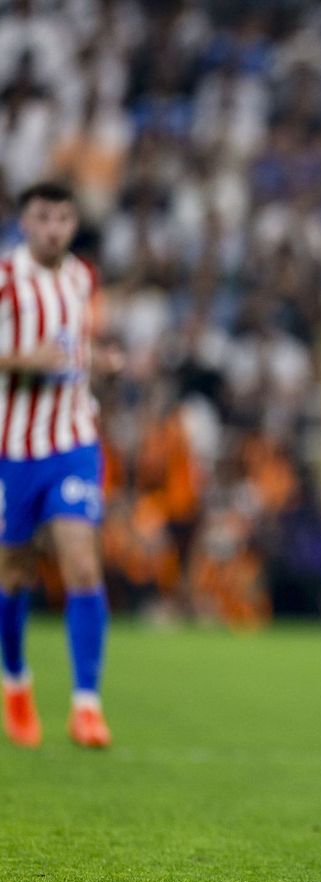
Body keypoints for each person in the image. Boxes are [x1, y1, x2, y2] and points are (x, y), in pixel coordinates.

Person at [0, 182, 119, 749]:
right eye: (44, 217)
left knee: (83, 564)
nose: (54, 229)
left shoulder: (82, 277)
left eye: (64, 218)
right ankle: (17, 681)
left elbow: (78, 347)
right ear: (25, 220)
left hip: (73, 439)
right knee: (14, 573)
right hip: (13, 450)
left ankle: (86, 705)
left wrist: (103, 364)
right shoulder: (5, 278)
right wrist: (26, 360)